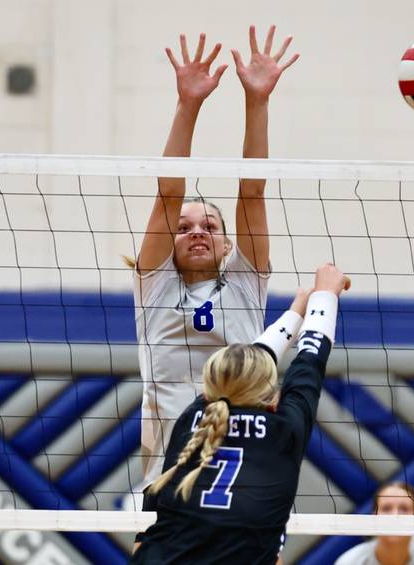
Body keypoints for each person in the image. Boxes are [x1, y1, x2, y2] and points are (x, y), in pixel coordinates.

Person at [132, 25, 300, 489]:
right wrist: (189, 104)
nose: (197, 231)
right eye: (184, 228)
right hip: (167, 477)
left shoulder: (245, 284)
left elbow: (253, 190)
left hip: (241, 477)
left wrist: (258, 101)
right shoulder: (154, 286)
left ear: (228, 245)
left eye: (209, 225)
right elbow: (168, 192)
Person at [131, 263, 351, 564]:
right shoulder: (283, 431)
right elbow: (309, 361)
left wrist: (302, 308)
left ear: (208, 388)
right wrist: (324, 296)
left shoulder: (192, 419)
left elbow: (246, 365)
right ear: (271, 396)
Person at [334, 482, 414, 565]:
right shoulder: (350, 561)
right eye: (386, 508)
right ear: (374, 517)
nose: (395, 515)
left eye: (404, 509)